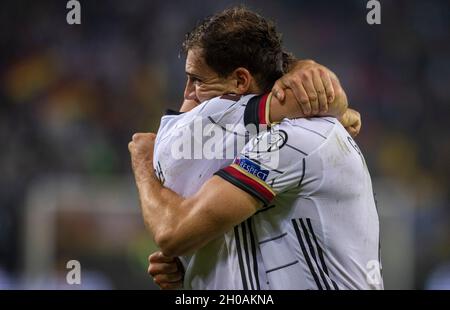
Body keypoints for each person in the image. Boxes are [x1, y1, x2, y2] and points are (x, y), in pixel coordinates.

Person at [129, 7, 379, 289]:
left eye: (197, 80)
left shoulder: (296, 138)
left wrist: (142, 161)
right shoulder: (244, 140)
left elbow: (172, 231)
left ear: (239, 81)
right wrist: (193, 267)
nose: (188, 94)